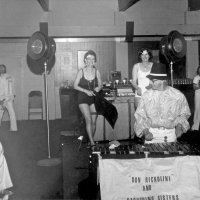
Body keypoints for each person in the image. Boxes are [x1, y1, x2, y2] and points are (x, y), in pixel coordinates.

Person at [134, 62, 191, 144]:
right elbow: (140, 116)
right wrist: (146, 132)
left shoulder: (177, 96)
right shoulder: (146, 96)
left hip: (170, 136)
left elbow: (184, 114)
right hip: (151, 136)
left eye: (154, 81)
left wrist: (179, 127)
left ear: (163, 81)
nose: (150, 83)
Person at [74, 50, 102, 147]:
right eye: (88, 58)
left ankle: (90, 140)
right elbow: (75, 86)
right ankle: (92, 143)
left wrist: (97, 89)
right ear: (85, 60)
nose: (90, 60)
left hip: (93, 98)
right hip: (82, 98)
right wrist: (85, 91)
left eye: (92, 59)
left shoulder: (97, 72)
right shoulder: (81, 71)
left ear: (95, 61)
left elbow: (100, 85)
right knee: (88, 119)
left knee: (94, 120)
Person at [0, 64, 17, 131]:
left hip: (8, 98)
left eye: (2, 68)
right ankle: (14, 128)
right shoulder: (5, 77)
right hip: (1, 99)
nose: (1, 69)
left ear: (5, 69)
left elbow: (12, 86)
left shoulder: (10, 76)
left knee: (12, 113)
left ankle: (14, 128)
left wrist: (13, 95)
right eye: (0, 68)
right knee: (0, 113)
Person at [191, 66, 200, 131]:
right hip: (198, 95)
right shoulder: (196, 78)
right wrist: (199, 85)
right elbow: (194, 87)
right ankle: (195, 126)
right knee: (198, 110)